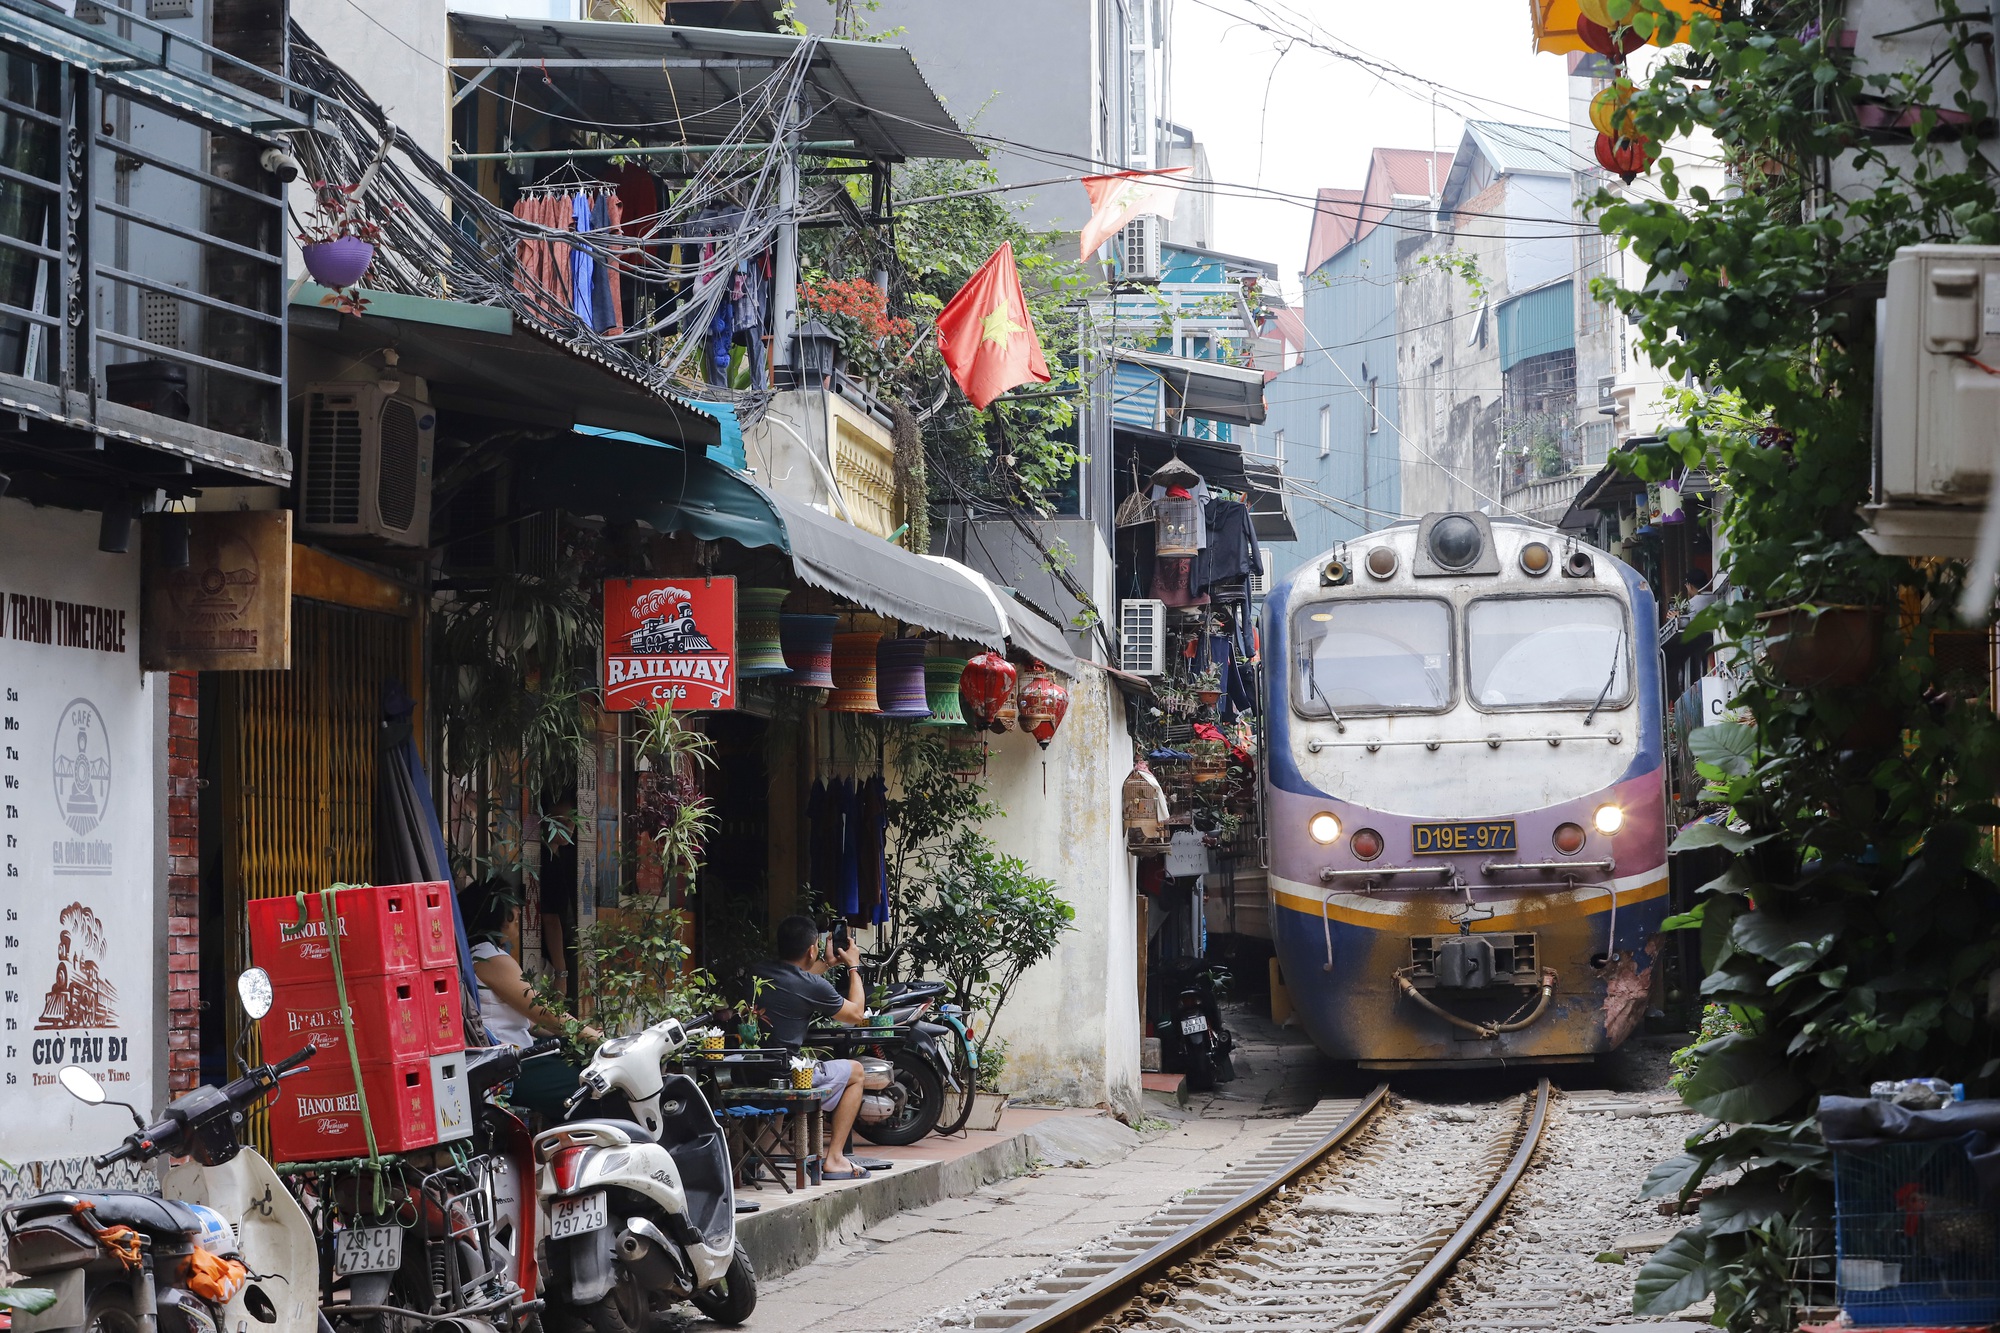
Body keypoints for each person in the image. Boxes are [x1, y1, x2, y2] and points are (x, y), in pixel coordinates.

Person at [460, 879, 602, 1116]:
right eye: (514, 906)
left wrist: (580, 1036)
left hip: (514, 1056)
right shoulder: (490, 959)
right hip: (509, 1068)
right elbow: (542, 1012)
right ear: (499, 913)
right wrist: (595, 1038)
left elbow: (532, 1022)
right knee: (591, 1090)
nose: (519, 913)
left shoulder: (484, 955)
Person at [751, 915, 870, 1180]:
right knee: (857, 1071)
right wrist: (853, 967)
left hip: (749, 1072)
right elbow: (857, 1014)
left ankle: (769, 1149)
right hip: (789, 1078)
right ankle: (836, 1158)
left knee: (783, 1063)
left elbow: (798, 983)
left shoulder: (757, 972)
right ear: (811, 949)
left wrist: (826, 963)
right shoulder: (811, 985)